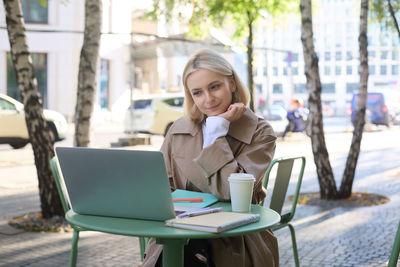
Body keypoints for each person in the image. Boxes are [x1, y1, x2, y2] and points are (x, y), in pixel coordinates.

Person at [140, 49, 279, 267]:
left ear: (232, 84)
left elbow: (230, 192)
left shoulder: (260, 133)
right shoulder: (179, 130)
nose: (208, 99)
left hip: (235, 238)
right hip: (178, 232)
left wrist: (216, 132)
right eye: (197, 92)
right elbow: (160, 186)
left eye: (215, 86)